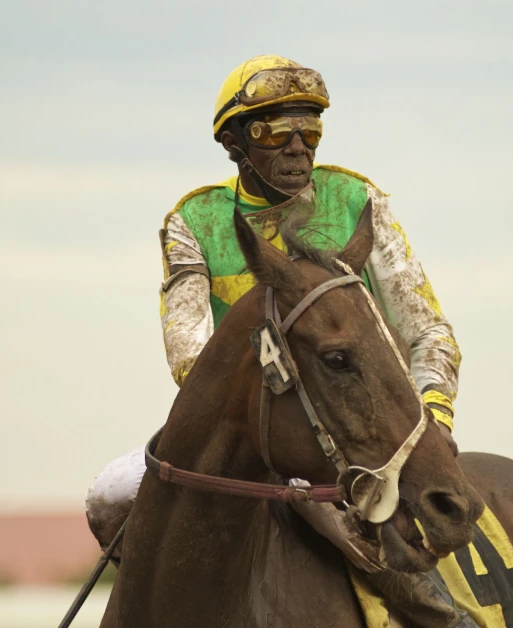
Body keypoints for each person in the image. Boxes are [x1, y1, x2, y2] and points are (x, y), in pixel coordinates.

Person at [86, 54, 461, 553]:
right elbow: (191, 359)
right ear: (233, 143)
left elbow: (429, 331)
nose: (298, 147)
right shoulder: (193, 220)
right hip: (245, 430)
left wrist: (432, 418)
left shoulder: (358, 200)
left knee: (413, 549)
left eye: (310, 129)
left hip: (362, 433)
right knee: (108, 497)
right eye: (275, 130)